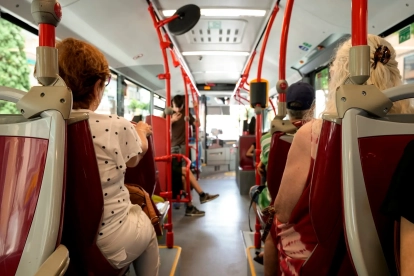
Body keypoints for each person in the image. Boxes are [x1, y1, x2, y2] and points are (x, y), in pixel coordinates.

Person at [264, 34, 414, 276]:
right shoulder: (409, 131)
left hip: (326, 259)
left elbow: (283, 212)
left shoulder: (315, 134)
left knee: (273, 231)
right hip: (396, 253)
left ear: (338, 77)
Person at [56, 38, 159, 275]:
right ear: (97, 86)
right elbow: (136, 157)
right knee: (148, 228)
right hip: (108, 239)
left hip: (57, 240)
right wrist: (141, 132)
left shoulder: (43, 127)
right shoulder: (115, 125)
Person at [250, 82, 315, 265]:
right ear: (313, 106)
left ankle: (268, 239)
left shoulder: (268, 138)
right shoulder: (323, 134)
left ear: (287, 108)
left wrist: (261, 165)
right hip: (311, 203)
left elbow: (268, 166)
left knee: (255, 192)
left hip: (278, 203)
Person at [169, 95, 219, 217]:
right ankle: (200, 197)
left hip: (183, 147)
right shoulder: (168, 114)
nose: (178, 109)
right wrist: (171, 121)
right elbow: (162, 129)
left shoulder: (186, 114)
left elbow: (198, 124)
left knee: (185, 175)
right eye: (176, 107)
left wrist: (196, 110)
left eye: (180, 107)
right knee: (185, 173)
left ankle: (190, 205)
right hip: (173, 148)